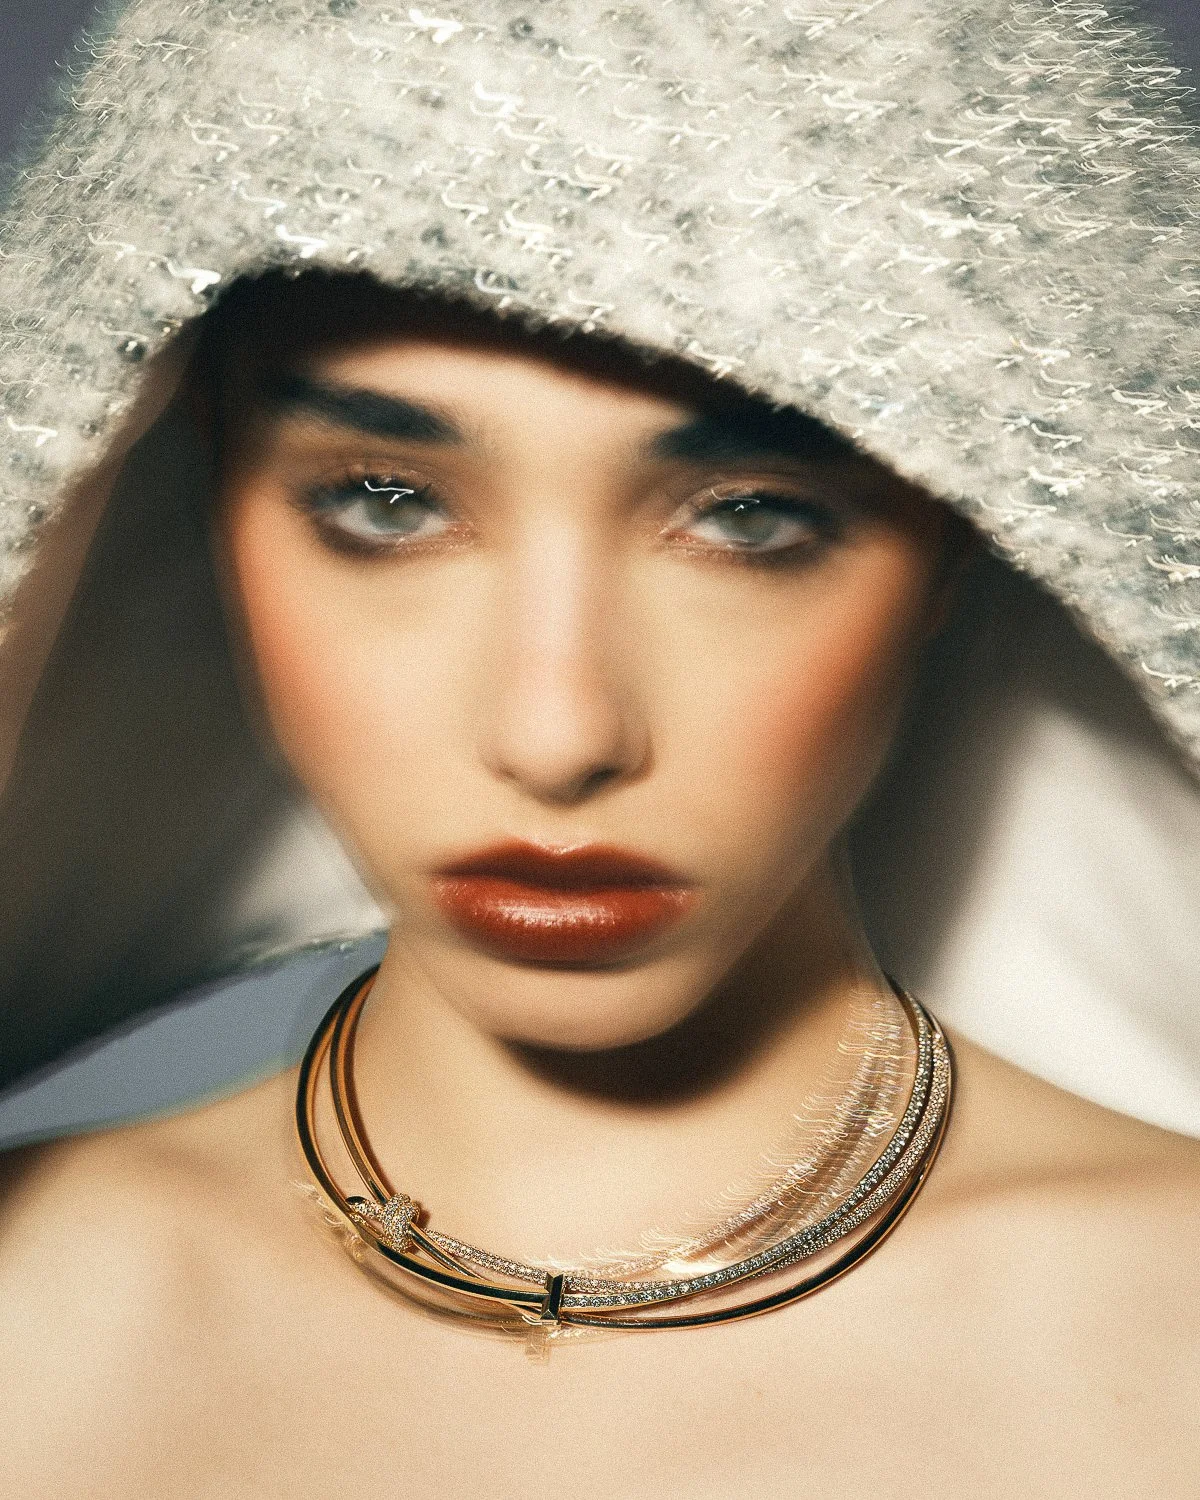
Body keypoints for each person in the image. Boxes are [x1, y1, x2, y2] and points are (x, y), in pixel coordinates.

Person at [1, 1, 1199, 1493]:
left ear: (965, 540)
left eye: (751, 515)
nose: (555, 732)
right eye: (384, 498)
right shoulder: (33, 1320)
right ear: (184, 495)